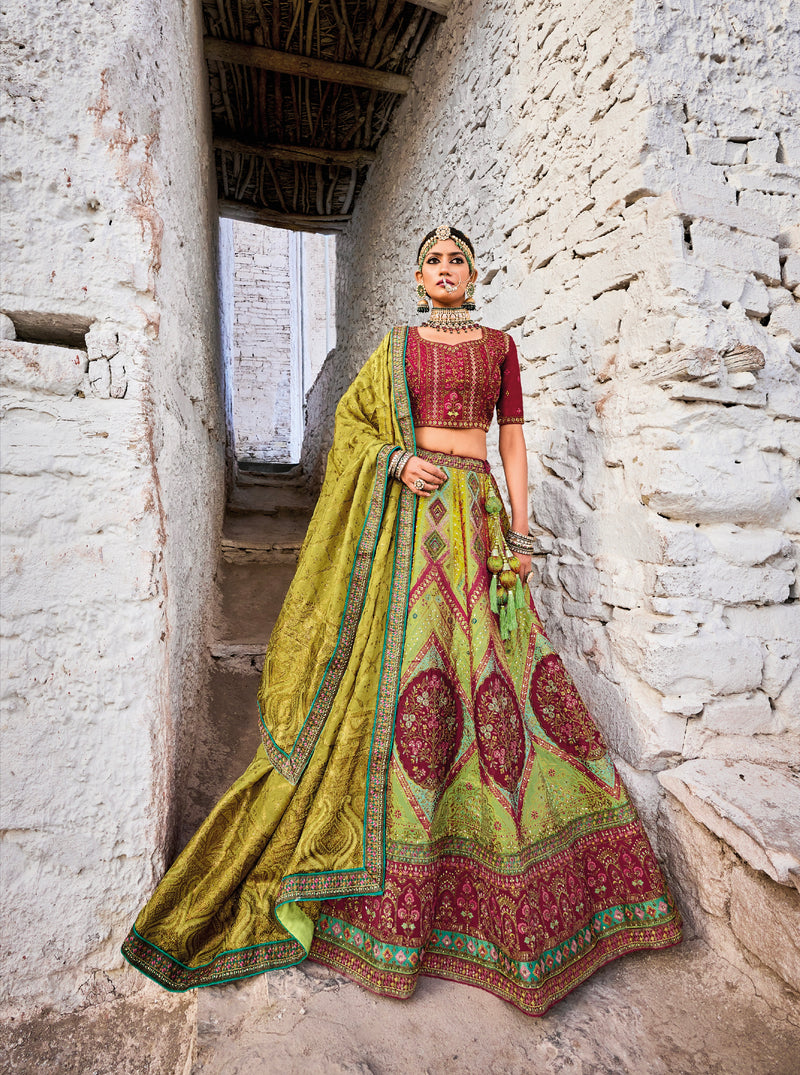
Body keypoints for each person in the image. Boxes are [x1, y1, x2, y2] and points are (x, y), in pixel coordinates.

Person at [122, 225, 681, 1015]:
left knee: (500, 678)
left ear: (474, 273)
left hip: (479, 520)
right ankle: (395, 873)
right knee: (412, 684)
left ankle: (505, 871)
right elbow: (353, 429)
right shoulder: (395, 349)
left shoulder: (500, 347)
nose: (447, 269)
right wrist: (393, 460)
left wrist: (520, 533)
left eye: (459, 260)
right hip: (411, 529)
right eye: (435, 261)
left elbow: (511, 439)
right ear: (419, 275)